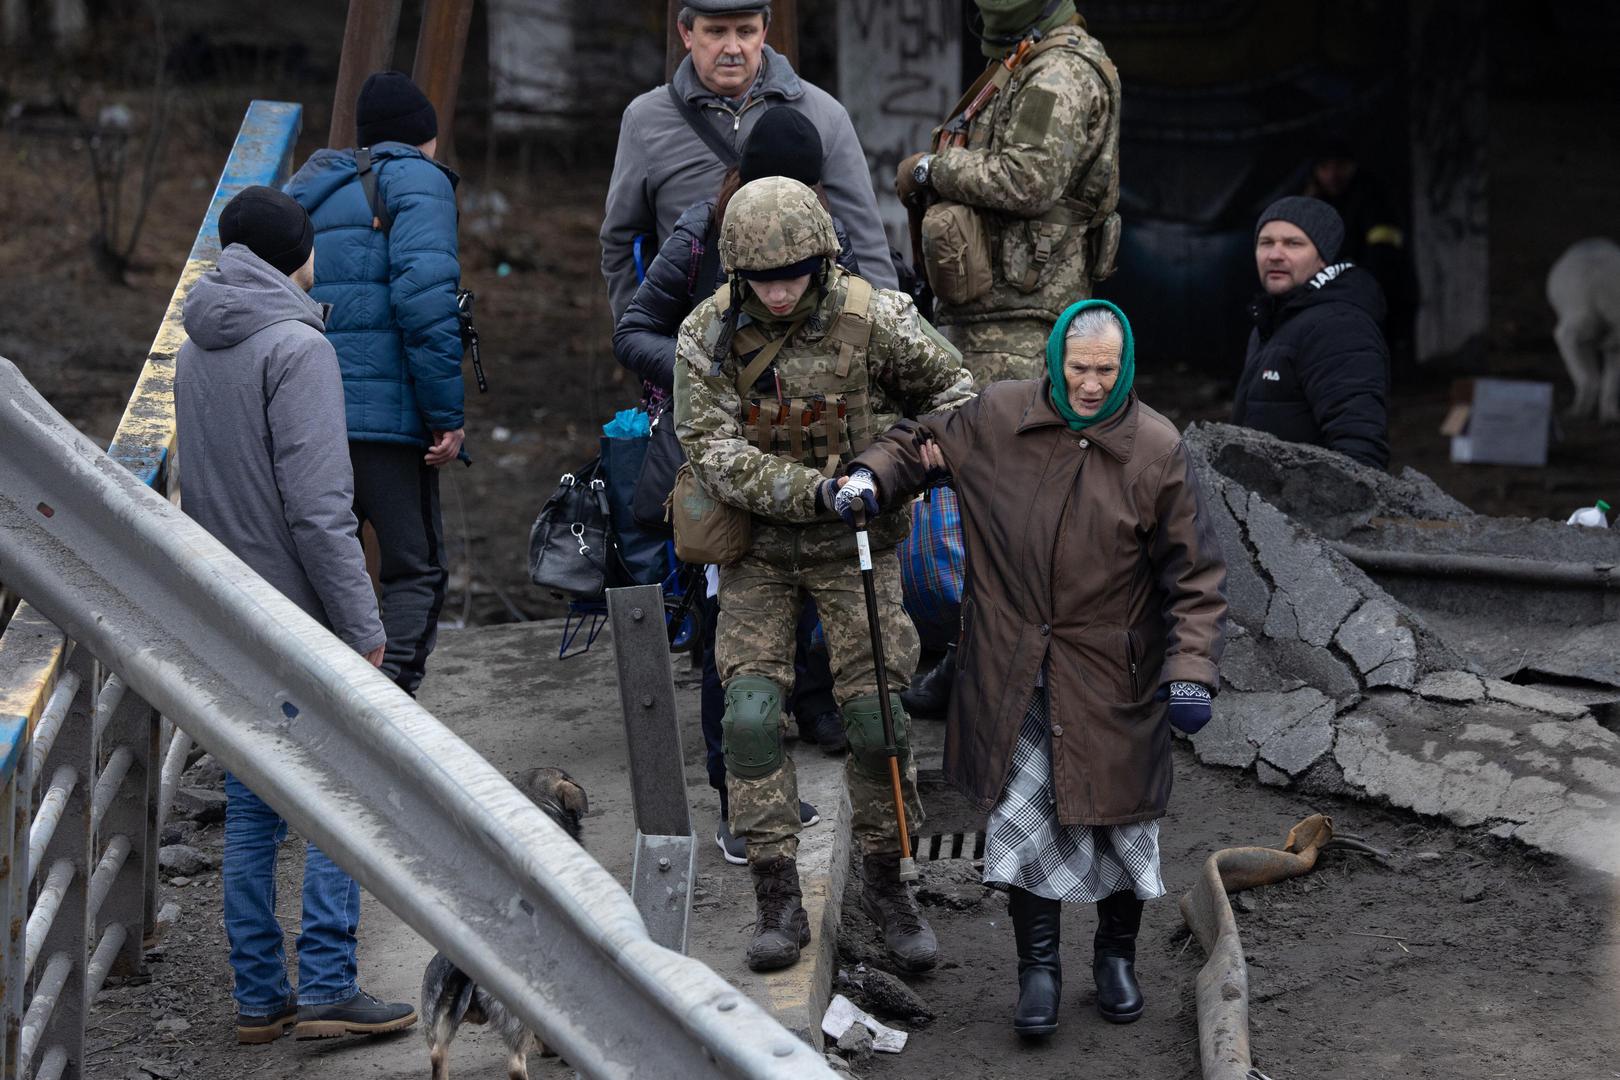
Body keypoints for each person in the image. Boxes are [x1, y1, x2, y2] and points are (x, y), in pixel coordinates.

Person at [840, 299, 1227, 1037]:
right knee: (1022, 825)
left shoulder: (1154, 448)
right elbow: (917, 445)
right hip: (1015, 668)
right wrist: (869, 478)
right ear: (1056, 362)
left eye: (1105, 371)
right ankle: (1037, 973)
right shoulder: (997, 418)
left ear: (1126, 368)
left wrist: (1189, 670)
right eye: (1078, 369)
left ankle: (1116, 959)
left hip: (1115, 673)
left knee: (1121, 822)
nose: (1089, 385)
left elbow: (1197, 575)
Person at [675, 177, 975, 973]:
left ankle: (888, 884)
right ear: (737, 274)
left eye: (794, 274)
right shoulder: (707, 333)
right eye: (762, 279)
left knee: (877, 715)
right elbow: (710, 450)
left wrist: (886, 467)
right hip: (760, 548)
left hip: (859, 544)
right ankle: (775, 894)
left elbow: (960, 396)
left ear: (823, 260)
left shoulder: (874, 317)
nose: (778, 292)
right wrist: (809, 491)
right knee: (746, 716)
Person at [174, 186, 418, 1044]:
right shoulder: (297, 347)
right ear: (296, 256)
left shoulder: (195, 347)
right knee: (339, 795)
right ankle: (327, 982)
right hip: (301, 614)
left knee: (252, 807)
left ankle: (258, 1000)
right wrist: (362, 624)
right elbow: (320, 510)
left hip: (226, 609)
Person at [614, 107, 858, 865]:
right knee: (733, 644)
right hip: (722, 468)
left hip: (808, 466)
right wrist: (704, 380)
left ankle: (770, 787)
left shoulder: (824, 236)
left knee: (800, 625)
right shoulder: (698, 235)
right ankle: (735, 806)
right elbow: (633, 329)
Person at [285, 70, 464, 697]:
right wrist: (446, 414)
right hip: (388, 421)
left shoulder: (310, 187)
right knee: (414, 571)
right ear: (424, 137)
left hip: (307, 413)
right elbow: (424, 301)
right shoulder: (418, 179)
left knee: (318, 568)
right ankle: (390, 715)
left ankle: (320, 706)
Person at [600, 0, 895, 327]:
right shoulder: (645, 121)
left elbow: (866, 245)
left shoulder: (824, 116)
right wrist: (643, 343)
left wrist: (880, 345)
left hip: (808, 353)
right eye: (715, 31)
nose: (732, 47)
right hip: (692, 350)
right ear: (686, 32)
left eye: (746, 31)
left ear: (764, 31)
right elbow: (622, 245)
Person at [895, 0, 1121, 385]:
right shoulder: (1026, 57)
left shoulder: (1057, 72)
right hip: (1000, 313)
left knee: (999, 437)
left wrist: (931, 169)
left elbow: (1028, 179)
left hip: (1021, 318)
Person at [1231, 196, 1391, 469]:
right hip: (1268, 508)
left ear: (1323, 258)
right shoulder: (1273, 323)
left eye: (1294, 243)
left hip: (1305, 508)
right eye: (1266, 242)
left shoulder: (1338, 326)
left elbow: (1360, 453)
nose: (1275, 254)